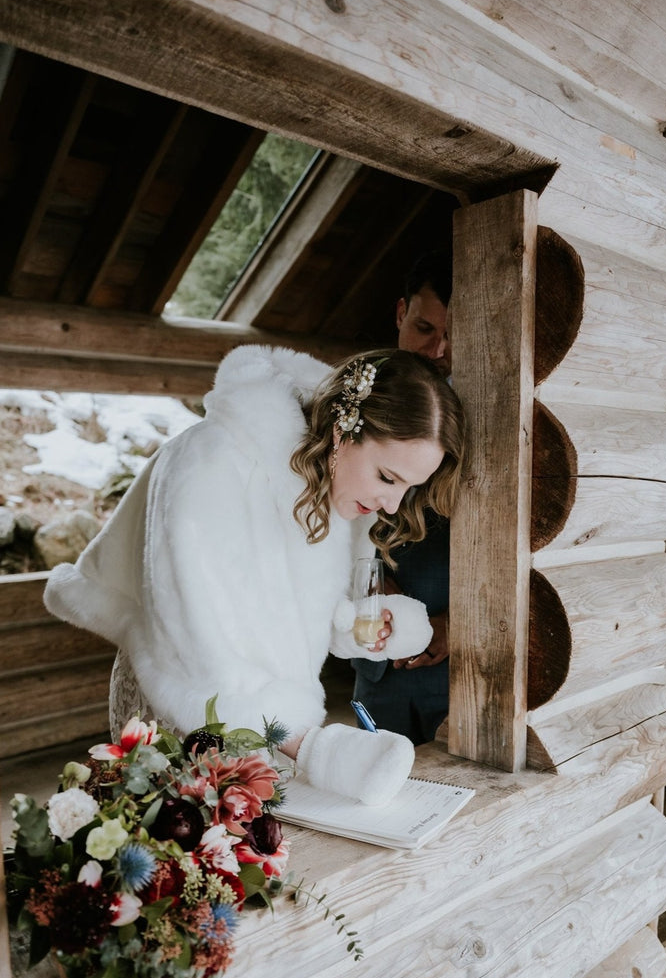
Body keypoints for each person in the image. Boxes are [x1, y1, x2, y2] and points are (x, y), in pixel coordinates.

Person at [45, 343, 465, 806]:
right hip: (182, 703)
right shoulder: (212, 462)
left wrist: (352, 626)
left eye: (410, 487)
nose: (393, 504)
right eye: (388, 478)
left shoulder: (328, 480)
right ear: (344, 431)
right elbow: (195, 642)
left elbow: (286, 612)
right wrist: (311, 746)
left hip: (273, 721)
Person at [352, 252, 454, 745]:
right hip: (376, 665)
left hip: (459, 672)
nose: (437, 352)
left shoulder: (482, 416)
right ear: (400, 314)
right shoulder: (360, 403)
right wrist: (375, 584)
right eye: (424, 328)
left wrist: (458, 625)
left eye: (453, 337)